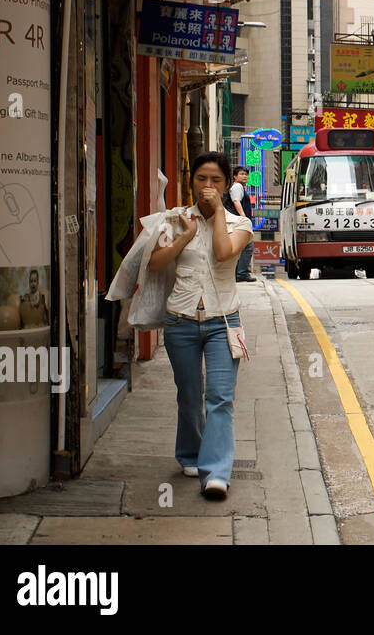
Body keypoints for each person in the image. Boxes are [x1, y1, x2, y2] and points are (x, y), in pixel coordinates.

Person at [149, 151, 253, 500]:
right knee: (189, 396)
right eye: (201, 179)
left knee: (220, 398)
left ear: (227, 186)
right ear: (191, 182)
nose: (207, 186)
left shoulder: (241, 225)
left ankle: (216, 473)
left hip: (223, 321)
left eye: (216, 181)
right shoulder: (176, 219)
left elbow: (223, 253)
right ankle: (190, 454)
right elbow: (154, 264)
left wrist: (219, 212)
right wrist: (184, 235)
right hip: (181, 321)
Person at [227, 167, 258, 283]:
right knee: (247, 246)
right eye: (242, 174)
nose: (245, 176)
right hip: (239, 221)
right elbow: (236, 201)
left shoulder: (239, 187)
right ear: (235, 176)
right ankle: (242, 273)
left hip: (237, 221)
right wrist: (243, 217)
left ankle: (239, 273)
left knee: (242, 247)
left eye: (246, 174)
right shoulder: (237, 187)